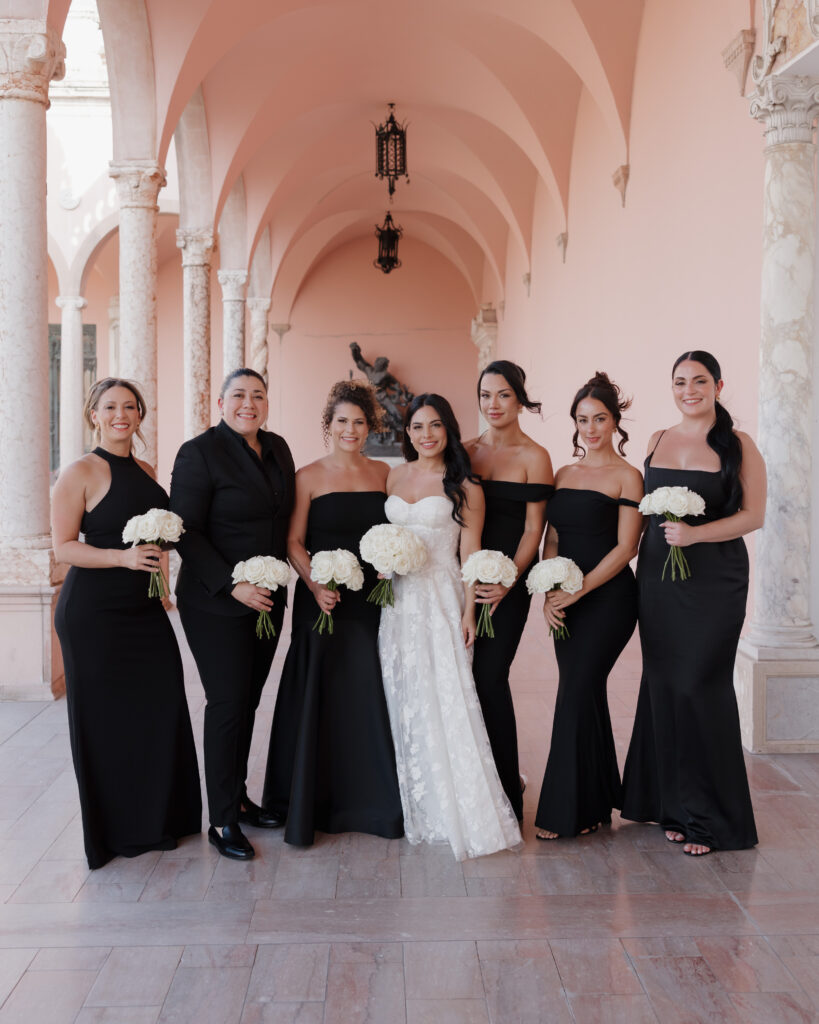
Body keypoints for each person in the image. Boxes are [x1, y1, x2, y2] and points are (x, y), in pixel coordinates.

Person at [52, 378, 201, 870]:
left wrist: (159, 576)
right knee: (106, 723)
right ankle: (117, 833)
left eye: (130, 407)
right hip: (93, 614)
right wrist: (121, 558)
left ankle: (159, 819)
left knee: (159, 709)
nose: (121, 414)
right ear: (94, 414)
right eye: (110, 407)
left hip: (144, 611)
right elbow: (64, 548)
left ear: (140, 415)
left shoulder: (147, 469)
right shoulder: (79, 472)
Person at [621, 351, 766, 855]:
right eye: (680, 382)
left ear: (718, 386)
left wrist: (695, 535)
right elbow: (638, 517)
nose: (689, 390)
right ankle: (673, 808)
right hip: (658, 582)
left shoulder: (739, 445)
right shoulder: (657, 439)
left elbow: (753, 516)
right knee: (663, 685)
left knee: (700, 686)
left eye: (699, 381)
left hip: (715, 581)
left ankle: (713, 819)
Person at [378, 393, 522, 860]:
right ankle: (414, 802)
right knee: (405, 696)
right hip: (397, 601)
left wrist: (468, 613)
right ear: (407, 433)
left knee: (448, 697)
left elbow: (470, 554)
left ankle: (457, 807)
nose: (426, 435)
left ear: (449, 430)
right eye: (417, 427)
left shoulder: (466, 486)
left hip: (441, 598)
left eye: (435, 426)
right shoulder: (394, 476)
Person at [263, 380, 403, 845]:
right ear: (329, 425)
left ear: (371, 427)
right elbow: (293, 542)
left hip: (369, 603)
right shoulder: (307, 476)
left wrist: (389, 569)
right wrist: (315, 584)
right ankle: (309, 801)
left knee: (365, 692)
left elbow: (397, 535)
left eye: (360, 422)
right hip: (320, 599)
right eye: (342, 421)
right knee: (319, 689)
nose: (351, 429)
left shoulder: (385, 475)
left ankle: (370, 802)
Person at [170, 368, 295, 861]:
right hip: (215, 600)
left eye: (258, 395)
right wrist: (232, 584)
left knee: (248, 701)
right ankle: (221, 820)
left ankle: (238, 798)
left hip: (268, 600)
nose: (249, 403)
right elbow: (185, 531)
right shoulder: (198, 452)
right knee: (226, 703)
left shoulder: (279, 447)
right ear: (220, 403)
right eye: (239, 395)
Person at [533, 372, 643, 839]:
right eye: (583, 420)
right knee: (584, 692)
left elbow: (626, 549)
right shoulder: (563, 474)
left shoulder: (627, 475)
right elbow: (552, 538)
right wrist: (549, 591)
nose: (591, 428)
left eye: (599, 419)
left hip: (610, 600)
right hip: (567, 600)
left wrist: (579, 590)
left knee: (575, 690)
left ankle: (565, 812)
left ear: (615, 422)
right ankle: (596, 803)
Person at [465, 361, 553, 820]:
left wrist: (506, 582)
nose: (493, 404)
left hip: (509, 583)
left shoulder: (534, 456)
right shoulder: (465, 451)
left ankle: (506, 795)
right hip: (464, 582)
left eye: (502, 395)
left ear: (519, 398)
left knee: (489, 677)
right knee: (462, 680)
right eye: (485, 395)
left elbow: (533, 531)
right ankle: (471, 784)